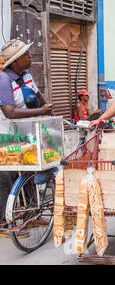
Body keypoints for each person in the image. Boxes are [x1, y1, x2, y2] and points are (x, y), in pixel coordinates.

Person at [0, 39, 54, 237]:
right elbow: (10, 112)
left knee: (30, 171)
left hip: (25, 133)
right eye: (24, 54)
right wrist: (41, 110)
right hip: (4, 136)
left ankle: (31, 214)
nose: (29, 56)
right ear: (14, 61)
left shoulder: (27, 76)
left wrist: (46, 110)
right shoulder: (4, 80)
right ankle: (4, 224)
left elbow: (39, 97)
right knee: (6, 178)